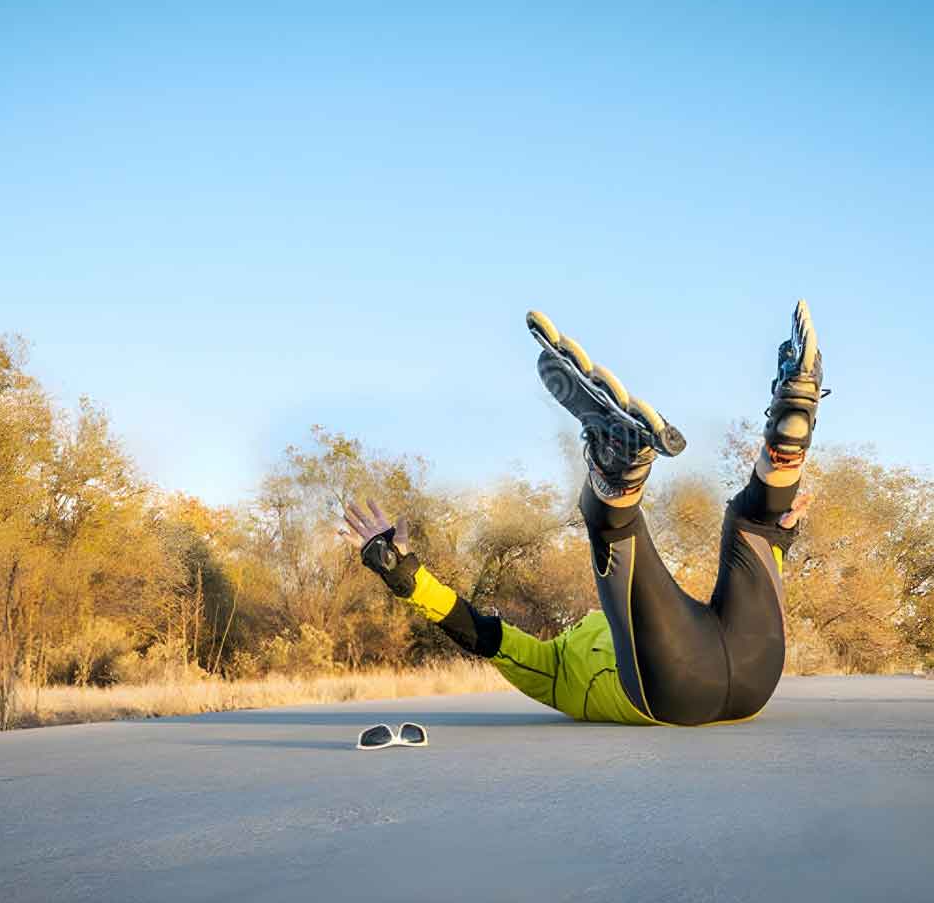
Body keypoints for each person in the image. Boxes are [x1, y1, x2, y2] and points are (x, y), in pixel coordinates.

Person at [339, 301, 826, 727]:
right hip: (717, 672)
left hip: (738, 679)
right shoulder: (548, 669)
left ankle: (781, 435)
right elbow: (479, 633)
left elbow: (481, 632)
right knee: (747, 527)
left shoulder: (557, 666)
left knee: (741, 527)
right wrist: (402, 575)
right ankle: (777, 426)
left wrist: (404, 575)